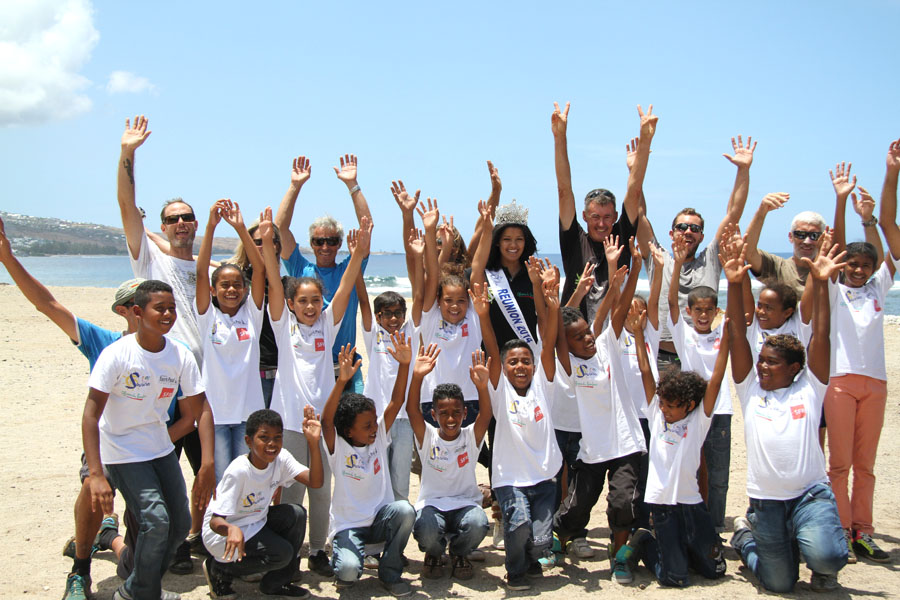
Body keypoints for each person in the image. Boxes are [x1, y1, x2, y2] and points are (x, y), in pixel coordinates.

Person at [0, 216, 137, 599]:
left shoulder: (168, 349)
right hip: (107, 442)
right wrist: (8, 260)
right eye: (138, 302)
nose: (151, 309)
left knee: (145, 540)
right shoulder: (101, 341)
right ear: (124, 310)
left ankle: (108, 538)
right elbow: (48, 304)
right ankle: (80, 570)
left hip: (149, 443)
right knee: (93, 494)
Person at [724, 234, 849, 593]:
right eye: (761, 360)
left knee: (826, 556)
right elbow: (736, 336)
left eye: (771, 363)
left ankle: (819, 553)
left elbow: (821, 334)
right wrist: (735, 284)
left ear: (795, 367)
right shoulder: (750, 390)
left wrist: (821, 282)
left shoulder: (810, 388)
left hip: (810, 495)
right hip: (765, 502)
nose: (761, 367)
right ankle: (745, 537)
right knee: (778, 583)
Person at [115, 115, 212, 570]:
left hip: (200, 387)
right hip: (159, 384)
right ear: (163, 224)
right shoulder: (148, 257)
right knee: (154, 467)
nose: (180, 223)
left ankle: (191, 538)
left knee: (204, 470)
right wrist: (128, 155)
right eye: (172, 218)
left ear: (194, 224)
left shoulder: (209, 270)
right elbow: (125, 203)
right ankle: (145, 551)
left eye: (187, 217)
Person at [82, 280, 215, 600]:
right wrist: (97, 475)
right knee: (156, 521)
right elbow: (90, 416)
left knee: (180, 523)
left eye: (172, 308)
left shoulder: (179, 355)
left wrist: (207, 464)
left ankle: (138, 582)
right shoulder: (116, 355)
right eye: (161, 308)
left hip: (159, 447)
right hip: (122, 451)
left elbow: (202, 409)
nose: (169, 314)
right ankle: (140, 591)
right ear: (138, 313)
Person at [267, 214, 371, 577]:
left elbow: (344, 288)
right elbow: (273, 282)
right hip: (291, 421)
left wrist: (357, 255)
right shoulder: (283, 327)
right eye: (304, 301)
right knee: (293, 489)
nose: (310, 307)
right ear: (292, 303)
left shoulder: (328, 323)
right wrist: (267, 244)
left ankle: (317, 551)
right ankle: (291, 555)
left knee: (323, 489)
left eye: (316, 301)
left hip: (324, 422)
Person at [552, 238, 647, 583]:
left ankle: (619, 555)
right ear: (568, 345)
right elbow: (554, 337)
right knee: (578, 506)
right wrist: (556, 300)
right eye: (578, 337)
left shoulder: (606, 344)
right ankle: (558, 539)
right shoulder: (569, 366)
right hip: (592, 450)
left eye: (587, 333)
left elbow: (615, 305)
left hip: (625, 443)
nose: (587, 338)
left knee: (623, 503)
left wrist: (627, 267)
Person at [825, 140, 900, 564]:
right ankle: (839, 528)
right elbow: (834, 248)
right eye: (852, 264)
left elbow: (888, 241)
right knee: (839, 464)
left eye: (864, 266)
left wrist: (869, 216)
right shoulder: (835, 291)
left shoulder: (879, 288)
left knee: (866, 465)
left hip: (877, 383)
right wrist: (840, 203)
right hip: (840, 381)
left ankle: (863, 531)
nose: (857, 270)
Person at [618, 303, 730, 587]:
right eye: (662, 403)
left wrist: (728, 336)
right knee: (676, 577)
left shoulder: (698, 422)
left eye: (672, 405)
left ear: (690, 405)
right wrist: (639, 334)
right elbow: (646, 371)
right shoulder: (656, 416)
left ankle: (683, 548)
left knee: (715, 569)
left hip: (691, 504)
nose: (664, 409)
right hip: (662, 506)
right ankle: (645, 542)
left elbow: (715, 379)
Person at [474, 265, 561, 591]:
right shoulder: (499, 390)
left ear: (535, 366)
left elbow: (549, 342)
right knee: (519, 523)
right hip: (510, 480)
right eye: (513, 362)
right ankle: (516, 572)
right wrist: (484, 315)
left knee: (540, 541)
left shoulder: (543, 386)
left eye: (526, 361)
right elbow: (493, 348)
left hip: (544, 478)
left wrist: (552, 304)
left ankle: (532, 558)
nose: (520, 366)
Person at [650, 134, 756, 372]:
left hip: (702, 353)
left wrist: (743, 171)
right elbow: (638, 213)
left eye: (695, 228)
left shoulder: (710, 260)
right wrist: (638, 164)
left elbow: (733, 214)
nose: (688, 231)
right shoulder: (657, 257)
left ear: (702, 236)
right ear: (671, 233)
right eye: (682, 227)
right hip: (662, 357)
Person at [323, 342, 416, 597]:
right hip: (349, 526)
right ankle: (343, 558)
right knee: (350, 571)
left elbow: (397, 401)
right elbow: (326, 422)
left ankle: (390, 571)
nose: (374, 428)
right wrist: (341, 382)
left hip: (379, 521)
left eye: (373, 421)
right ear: (349, 430)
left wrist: (405, 364)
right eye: (366, 426)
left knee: (406, 510)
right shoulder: (338, 447)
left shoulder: (380, 436)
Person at [201, 407, 324, 599]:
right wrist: (230, 530)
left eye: (277, 437)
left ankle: (275, 584)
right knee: (282, 553)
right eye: (264, 437)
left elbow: (315, 481)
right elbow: (215, 522)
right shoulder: (239, 471)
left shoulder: (280, 458)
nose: (272, 444)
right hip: (222, 534)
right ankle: (219, 569)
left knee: (296, 514)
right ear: (248, 441)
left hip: (255, 522)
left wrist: (313, 443)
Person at [275, 154, 373, 393]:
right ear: (312, 243)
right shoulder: (301, 270)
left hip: (348, 367)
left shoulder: (349, 270)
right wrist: (294, 187)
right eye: (319, 241)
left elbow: (366, 226)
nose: (325, 247)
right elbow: (279, 230)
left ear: (339, 243)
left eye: (331, 241)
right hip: (311, 366)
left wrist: (353, 185)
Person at [553, 102, 657, 322]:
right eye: (595, 217)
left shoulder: (620, 236)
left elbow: (635, 191)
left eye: (607, 217)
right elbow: (564, 191)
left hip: (614, 336)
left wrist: (645, 139)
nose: (602, 224)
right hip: (574, 335)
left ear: (616, 217)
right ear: (584, 217)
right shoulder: (574, 240)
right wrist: (559, 137)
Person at [195, 199, 267, 482]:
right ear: (213, 290)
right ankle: (215, 528)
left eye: (237, 284)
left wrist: (240, 229)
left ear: (245, 289)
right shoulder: (207, 316)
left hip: (247, 414)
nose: (231, 289)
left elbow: (259, 270)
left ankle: (244, 528)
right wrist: (211, 227)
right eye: (224, 285)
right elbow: (200, 272)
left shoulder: (252, 314)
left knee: (245, 479)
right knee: (220, 480)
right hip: (215, 415)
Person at [406, 345, 492, 581]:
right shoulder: (428, 436)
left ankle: (459, 552)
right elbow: (411, 409)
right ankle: (433, 553)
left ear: (465, 413)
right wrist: (416, 377)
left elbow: (485, 414)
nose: (451, 419)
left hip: (465, 504)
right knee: (425, 528)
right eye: (443, 413)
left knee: (478, 523)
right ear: (433, 415)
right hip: (433, 505)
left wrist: (482, 387)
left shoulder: (470, 437)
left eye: (456, 412)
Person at [666, 233, 732, 535]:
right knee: (690, 466)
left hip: (720, 410)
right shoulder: (685, 334)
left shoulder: (724, 333)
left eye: (709, 310)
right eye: (698, 310)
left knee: (718, 474)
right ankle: (687, 520)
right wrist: (677, 265)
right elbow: (671, 302)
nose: (703, 315)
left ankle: (714, 526)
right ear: (690, 312)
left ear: (716, 312)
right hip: (691, 411)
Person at [227, 215, 286, 409]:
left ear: (277, 245)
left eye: (269, 241)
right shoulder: (238, 283)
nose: (263, 246)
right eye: (257, 242)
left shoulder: (288, 285)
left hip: (282, 372)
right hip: (250, 372)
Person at [743, 191, 826, 296]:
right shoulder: (778, 268)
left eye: (814, 235)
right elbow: (748, 252)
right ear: (791, 237)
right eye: (800, 234)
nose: (807, 241)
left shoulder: (831, 270)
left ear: (822, 239)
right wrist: (762, 211)